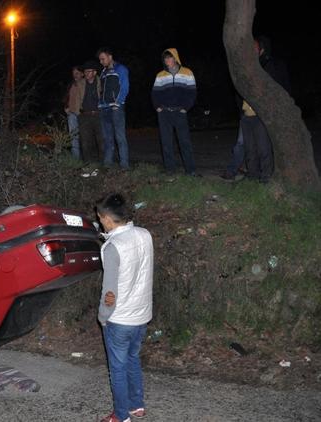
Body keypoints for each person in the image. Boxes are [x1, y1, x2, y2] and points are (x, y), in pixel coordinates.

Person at [96, 193, 153, 422]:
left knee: (117, 369)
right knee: (132, 359)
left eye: (101, 218)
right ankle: (136, 405)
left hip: (120, 320)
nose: (100, 222)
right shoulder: (144, 234)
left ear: (108, 219)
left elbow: (110, 292)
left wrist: (103, 316)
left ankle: (121, 416)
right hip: (142, 315)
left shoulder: (112, 247)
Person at [232, 36, 291, 183]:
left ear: (262, 50)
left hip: (261, 115)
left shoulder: (268, 66)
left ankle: (266, 177)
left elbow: (278, 89)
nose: (252, 50)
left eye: (255, 47)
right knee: (250, 149)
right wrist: (241, 109)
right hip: (246, 115)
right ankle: (252, 175)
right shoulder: (246, 68)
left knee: (263, 147)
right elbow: (239, 89)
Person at [151, 48, 198, 176]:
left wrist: (185, 108)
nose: (167, 61)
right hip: (164, 113)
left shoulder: (187, 73)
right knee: (166, 142)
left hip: (180, 112)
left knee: (184, 142)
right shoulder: (160, 75)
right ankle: (170, 170)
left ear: (175, 58)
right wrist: (158, 107)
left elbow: (192, 92)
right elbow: (155, 93)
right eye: (165, 58)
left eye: (169, 57)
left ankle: (191, 170)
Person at [97, 47, 131, 170]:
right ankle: (107, 163)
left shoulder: (120, 69)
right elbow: (101, 90)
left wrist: (118, 102)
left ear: (110, 57)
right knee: (107, 137)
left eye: (103, 59)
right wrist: (100, 104)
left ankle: (124, 165)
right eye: (100, 59)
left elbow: (125, 86)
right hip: (104, 108)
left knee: (120, 136)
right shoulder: (103, 72)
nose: (101, 61)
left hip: (116, 108)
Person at [78, 60, 105, 163]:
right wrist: (76, 112)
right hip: (84, 116)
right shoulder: (79, 84)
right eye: (85, 71)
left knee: (101, 141)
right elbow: (75, 99)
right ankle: (87, 164)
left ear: (94, 72)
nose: (86, 74)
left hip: (99, 115)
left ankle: (103, 163)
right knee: (85, 142)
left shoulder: (101, 82)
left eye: (88, 71)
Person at [64, 65, 85, 159]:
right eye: (73, 74)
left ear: (82, 73)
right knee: (73, 137)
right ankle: (75, 159)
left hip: (82, 114)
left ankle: (87, 158)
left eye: (77, 73)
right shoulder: (71, 84)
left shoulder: (86, 84)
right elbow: (66, 97)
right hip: (71, 114)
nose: (75, 75)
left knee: (84, 137)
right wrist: (66, 107)